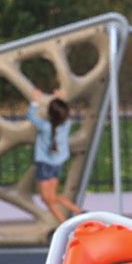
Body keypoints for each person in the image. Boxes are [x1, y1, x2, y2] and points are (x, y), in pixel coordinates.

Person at [27, 88, 82, 223]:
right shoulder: (66, 124)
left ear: (49, 113)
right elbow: (63, 113)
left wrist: (35, 100)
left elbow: (31, 116)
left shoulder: (44, 126)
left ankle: (66, 222)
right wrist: (61, 99)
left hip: (44, 165)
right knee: (51, 197)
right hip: (57, 164)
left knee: (47, 199)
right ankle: (78, 212)